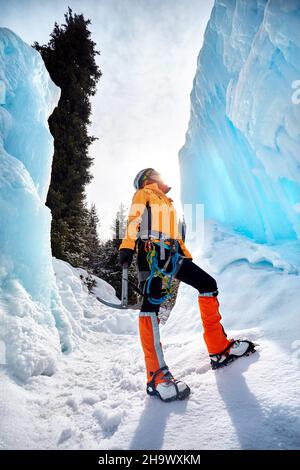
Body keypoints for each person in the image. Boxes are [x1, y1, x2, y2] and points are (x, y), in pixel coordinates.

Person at [119, 168, 255, 402]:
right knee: (150, 305)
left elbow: (175, 234)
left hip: (172, 253)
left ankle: (219, 350)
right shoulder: (143, 194)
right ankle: (156, 376)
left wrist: (184, 256)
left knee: (207, 284)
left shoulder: (167, 202)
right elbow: (134, 219)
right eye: (153, 174)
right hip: (150, 253)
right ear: (146, 179)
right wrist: (126, 247)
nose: (158, 175)